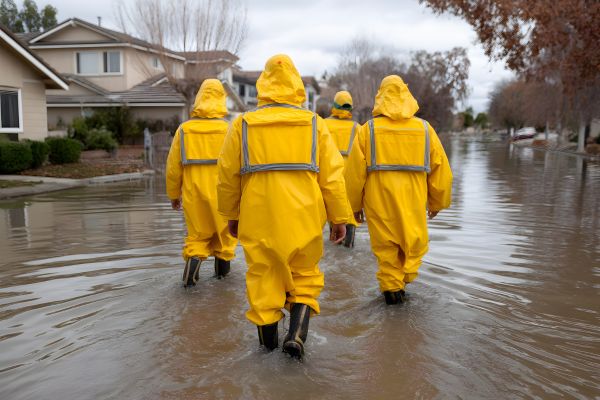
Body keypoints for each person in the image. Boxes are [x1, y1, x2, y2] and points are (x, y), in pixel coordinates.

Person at [217, 54, 350, 358]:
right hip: (305, 216)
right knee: (305, 275)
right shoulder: (314, 124)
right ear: (296, 85)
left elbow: (227, 176)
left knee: (263, 278)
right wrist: (339, 217)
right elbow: (332, 177)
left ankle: (267, 351)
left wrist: (231, 215)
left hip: (258, 216)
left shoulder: (242, 124)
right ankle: (297, 337)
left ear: (263, 84)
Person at [346, 75, 453, 305]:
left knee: (387, 254)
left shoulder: (367, 131)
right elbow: (441, 171)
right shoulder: (425, 130)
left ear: (380, 97)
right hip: (414, 204)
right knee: (413, 249)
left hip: (379, 204)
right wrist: (437, 203)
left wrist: (354, 208)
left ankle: (393, 299)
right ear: (407, 94)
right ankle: (399, 298)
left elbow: (353, 176)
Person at [166, 79, 237, 287]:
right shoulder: (230, 130)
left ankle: (190, 281)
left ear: (199, 98)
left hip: (193, 195)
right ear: (222, 99)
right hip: (224, 195)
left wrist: (173, 195)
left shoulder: (184, 130)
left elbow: (173, 167)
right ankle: (223, 285)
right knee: (225, 240)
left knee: (197, 237)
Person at [324, 91, 366, 248]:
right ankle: (347, 247)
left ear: (334, 105)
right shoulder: (358, 128)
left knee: (333, 219)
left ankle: (333, 248)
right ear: (351, 108)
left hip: (329, 178)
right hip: (350, 181)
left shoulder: (322, 124)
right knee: (349, 223)